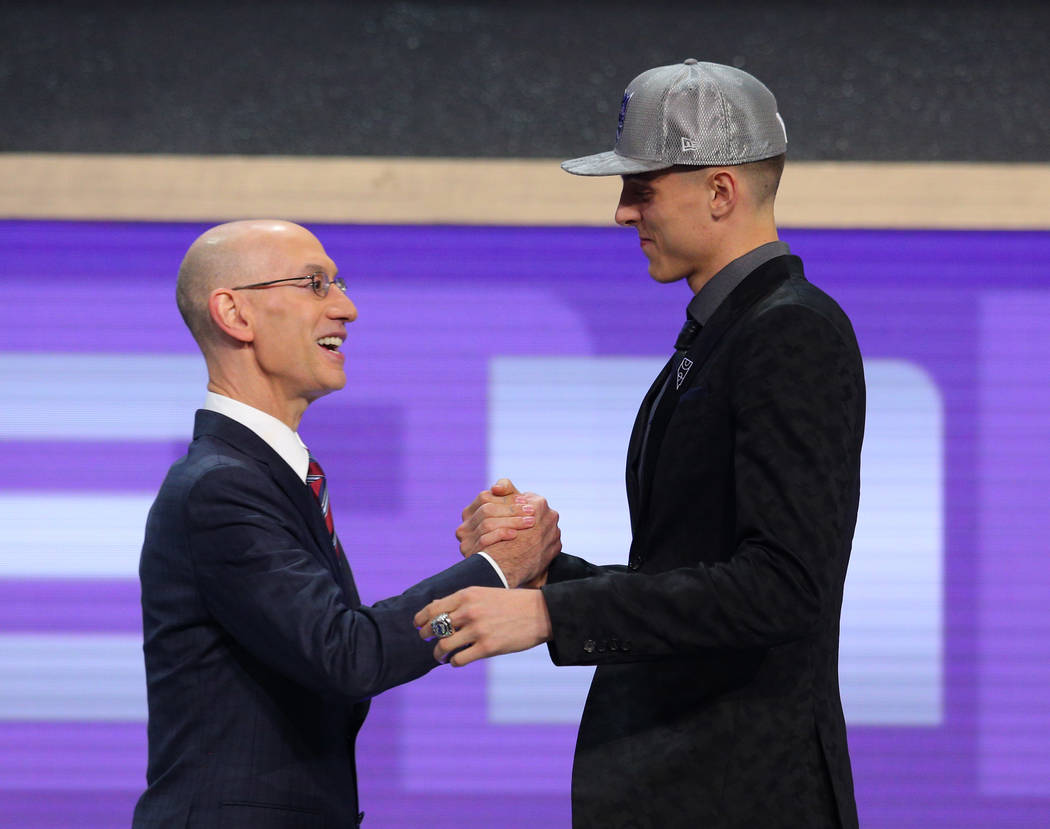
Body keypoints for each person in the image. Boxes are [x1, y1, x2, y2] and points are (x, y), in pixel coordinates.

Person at [415, 60, 864, 828]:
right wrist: (544, 568)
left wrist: (556, 613)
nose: (624, 213)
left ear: (720, 191)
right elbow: (689, 576)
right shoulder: (727, 333)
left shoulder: (789, 331)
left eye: (642, 189)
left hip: (740, 796)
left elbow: (784, 588)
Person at [133, 219, 560, 828]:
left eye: (338, 283)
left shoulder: (268, 477)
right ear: (235, 314)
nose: (347, 307)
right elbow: (346, 654)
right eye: (315, 284)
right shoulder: (222, 487)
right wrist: (494, 570)